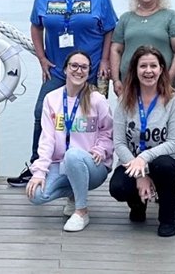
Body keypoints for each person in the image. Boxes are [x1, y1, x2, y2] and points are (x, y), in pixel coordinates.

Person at [10, 0, 117, 186]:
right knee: (42, 114)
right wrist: (41, 58)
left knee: (93, 120)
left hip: (92, 70)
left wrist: (107, 61)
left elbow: (110, 27)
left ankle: (89, 166)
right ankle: (38, 165)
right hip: (58, 70)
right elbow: (36, 26)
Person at [26, 51, 113, 232]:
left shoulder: (97, 99)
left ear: (89, 72)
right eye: (74, 66)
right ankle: (74, 193)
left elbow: (109, 131)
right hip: (60, 163)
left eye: (84, 67)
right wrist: (39, 171)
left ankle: (81, 211)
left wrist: (101, 149)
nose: (78, 71)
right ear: (65, 69)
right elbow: (47, 138)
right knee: (36, 195)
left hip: (92, 164)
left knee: (72, 155)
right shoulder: (52, 98)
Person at [108, 46, 175, 237]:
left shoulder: (174, 100)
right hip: (131, 162)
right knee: (118, 187)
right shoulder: (124, 99)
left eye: (153, 66)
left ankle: (167, 219)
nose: (148, 71)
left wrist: (144, 158)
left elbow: (173, 143)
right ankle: (137, 206)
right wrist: (140, 173)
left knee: (163, 166)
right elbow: (119, 143)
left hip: (164, 161)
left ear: (161, 69)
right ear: (135, 70)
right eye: (143, 66)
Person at [110, 0, 175, 96]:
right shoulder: (126, 18)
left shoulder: (170, 17)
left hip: (161, 86)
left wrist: (169, 77)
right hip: (129, 85)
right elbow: (115, 50)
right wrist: (116, 80)